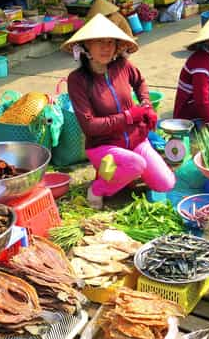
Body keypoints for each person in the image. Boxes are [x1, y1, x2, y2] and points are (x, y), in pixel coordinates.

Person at [64, 15, 175, 209]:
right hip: (103, 146)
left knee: (166, 183)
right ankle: (98, 188)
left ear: (117, 46)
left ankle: (122, 175)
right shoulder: (77, 80)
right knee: (135, 164)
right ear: (86, 45)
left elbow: (140, 82)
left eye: (110, 42)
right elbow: (90, 126)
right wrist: (129, 116)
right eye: (99, 41)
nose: (106, 47)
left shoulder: (123, 66)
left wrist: (147, 105)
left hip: (136, 140)